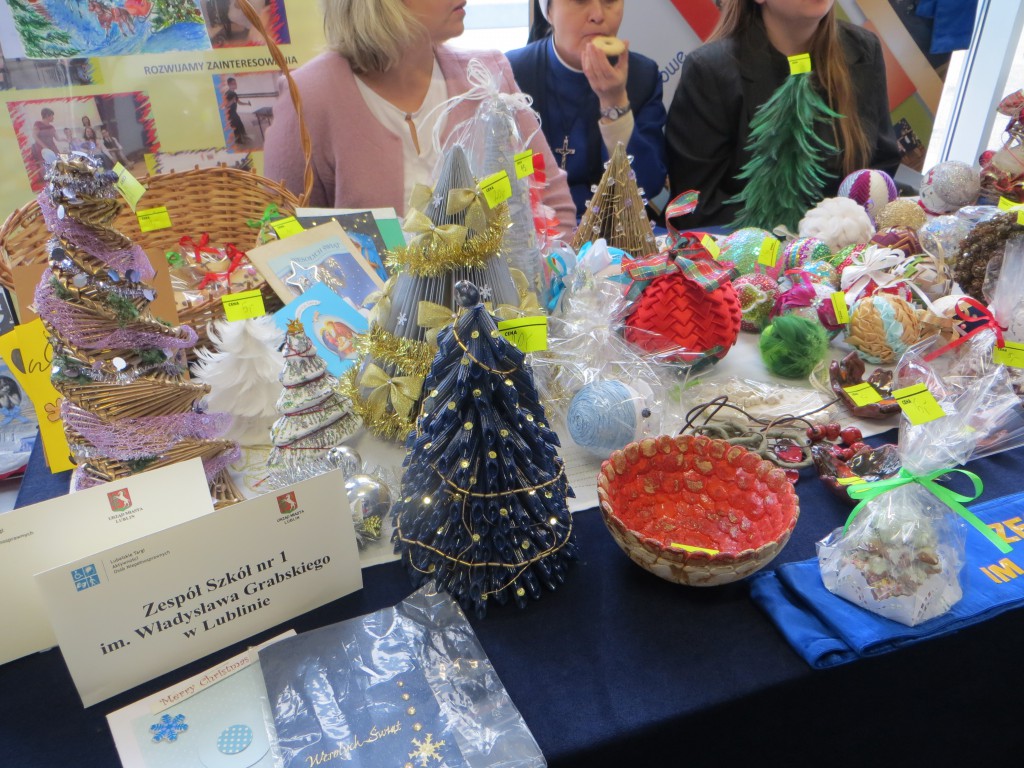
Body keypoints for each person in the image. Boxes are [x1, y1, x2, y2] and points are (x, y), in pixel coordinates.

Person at [263, 0, 576, 238]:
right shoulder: (308, 97)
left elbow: (549, 197)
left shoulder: (487, 76)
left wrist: (550, 288)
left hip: (500, 305)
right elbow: (280, 240)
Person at [665, 0, 901, 228]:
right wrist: (803, 234)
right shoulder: (710, 70)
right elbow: (694, 206)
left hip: (852, 242)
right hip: (755, 249)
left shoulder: (862, 48)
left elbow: (880, 165)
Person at [507, 0, 666, 217]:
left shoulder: (642, 76)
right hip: (531, 230)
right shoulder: (511, 74)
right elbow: (495, 180)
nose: (598, 15)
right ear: (549, 12)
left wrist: (615, 103)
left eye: (609, 0)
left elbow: (647, 185)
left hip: (612, 231)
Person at [224, 76, 251, 146]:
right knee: (237, 127)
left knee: (240, 125)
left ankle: (244, 137)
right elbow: (226, 105)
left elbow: (239, 102)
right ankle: (239, 140)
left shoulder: (234, 94)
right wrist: (231, 102)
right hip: (230, 114)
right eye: (233, 83)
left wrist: (247, 104)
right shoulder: (228, 94)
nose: (235, 84)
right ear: (229, 85)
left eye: (235, 83)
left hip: (234, 113)